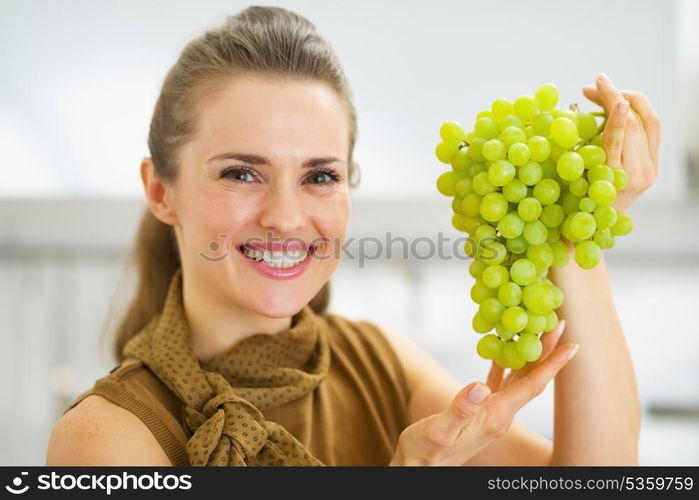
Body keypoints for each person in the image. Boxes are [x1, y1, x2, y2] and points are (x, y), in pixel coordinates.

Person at [45, 6, 659, 466]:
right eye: (240, 173)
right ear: (161, 192)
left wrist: (574, 233)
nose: (286, 216)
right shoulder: (107, 435)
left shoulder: (377, 364)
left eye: (319, 175)